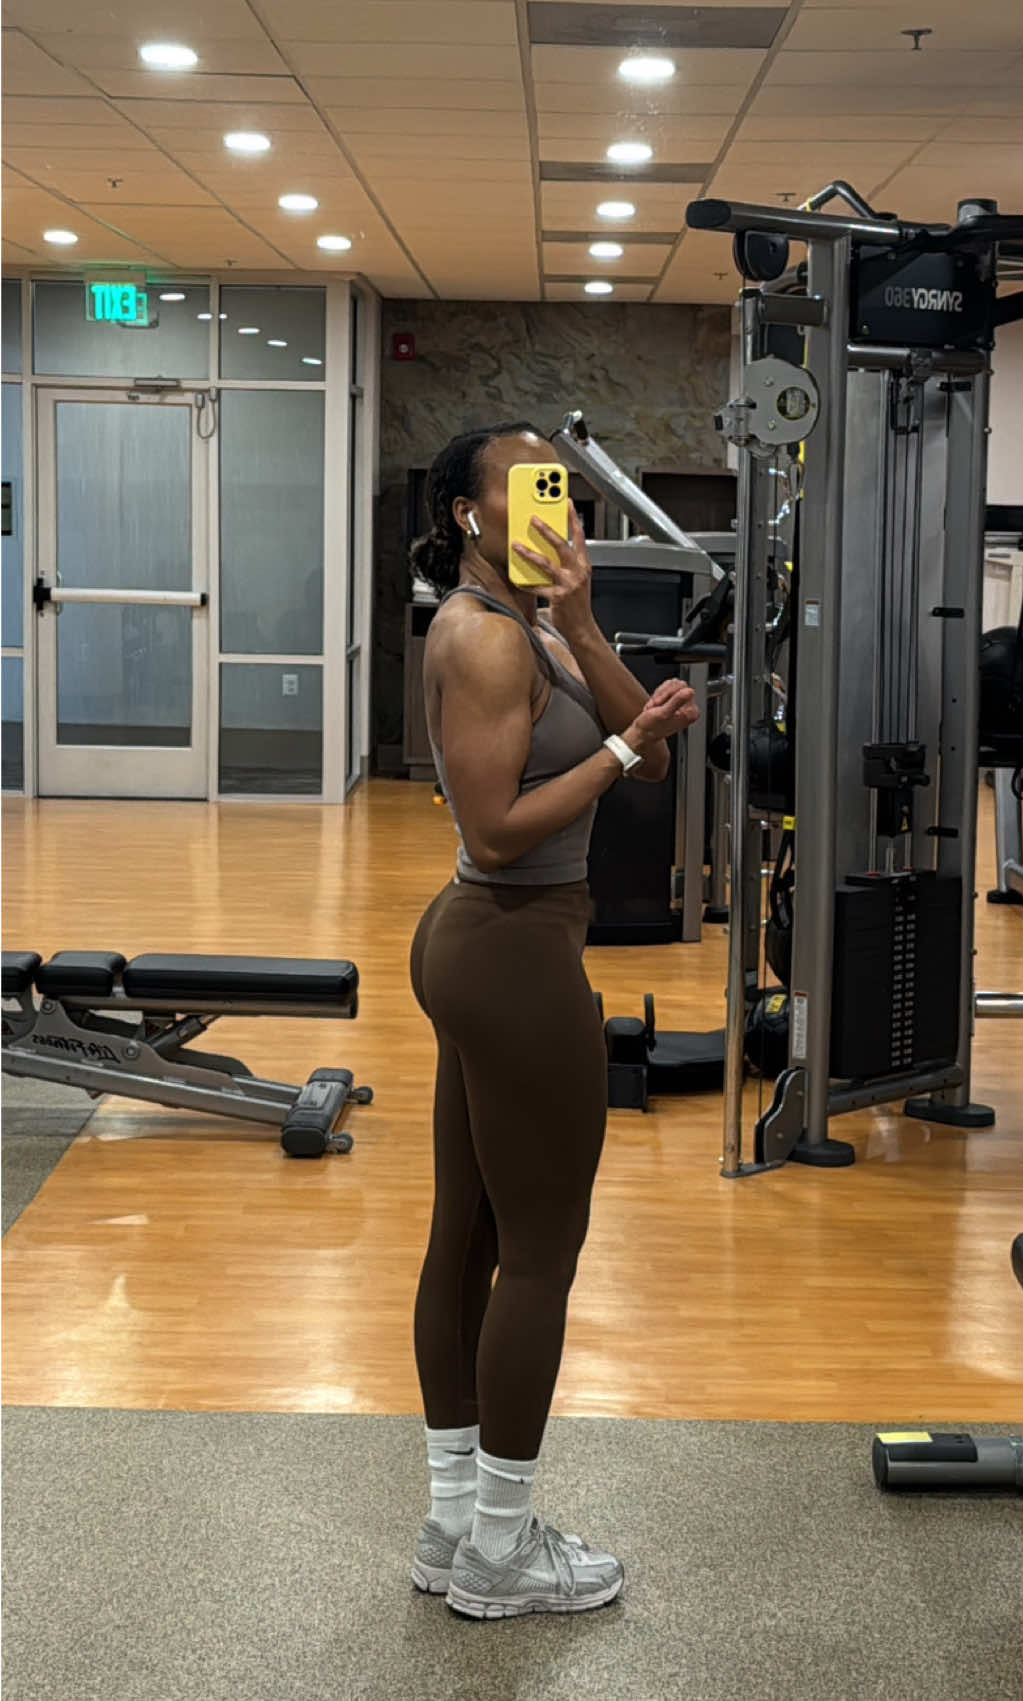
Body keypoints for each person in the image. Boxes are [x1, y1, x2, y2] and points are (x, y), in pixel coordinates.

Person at [408, 421, 700, 1619]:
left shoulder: (535, 623)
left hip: (498, 948)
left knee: (475, 1233)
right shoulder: (480, 636)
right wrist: (623, 745)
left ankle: (453, 1528)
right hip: (509, 947)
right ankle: (500, 1551)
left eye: (566, 493)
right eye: (531, 490)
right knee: (538, 1255)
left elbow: (660, 765)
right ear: (467, 514)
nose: (558, 512)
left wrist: (583, 625)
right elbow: (494, 833)